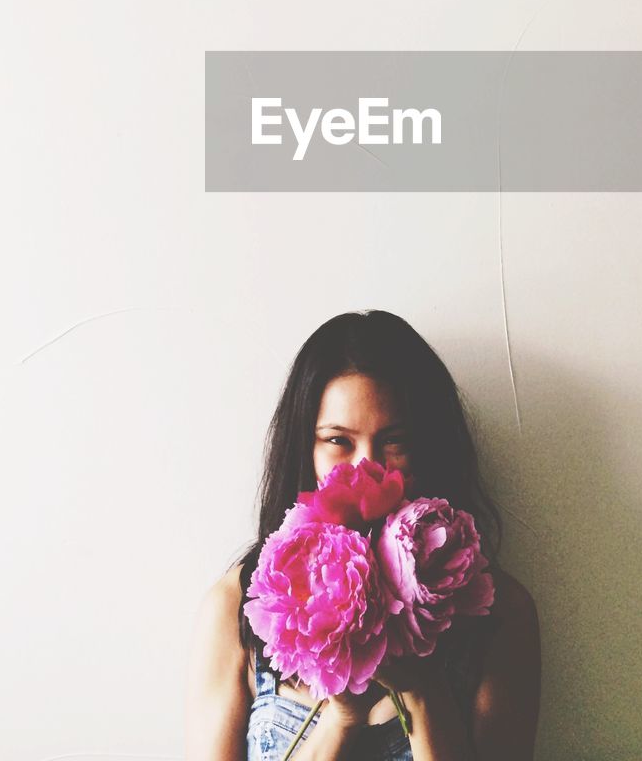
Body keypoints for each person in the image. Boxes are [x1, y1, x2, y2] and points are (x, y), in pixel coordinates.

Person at [186, 309, 541, 760]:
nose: (367, 467)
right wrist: (341, 719)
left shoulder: (501, 612)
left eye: (397, 441)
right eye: (338, 440)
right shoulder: (242, 605)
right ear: (304, 448)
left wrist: (422, 688)